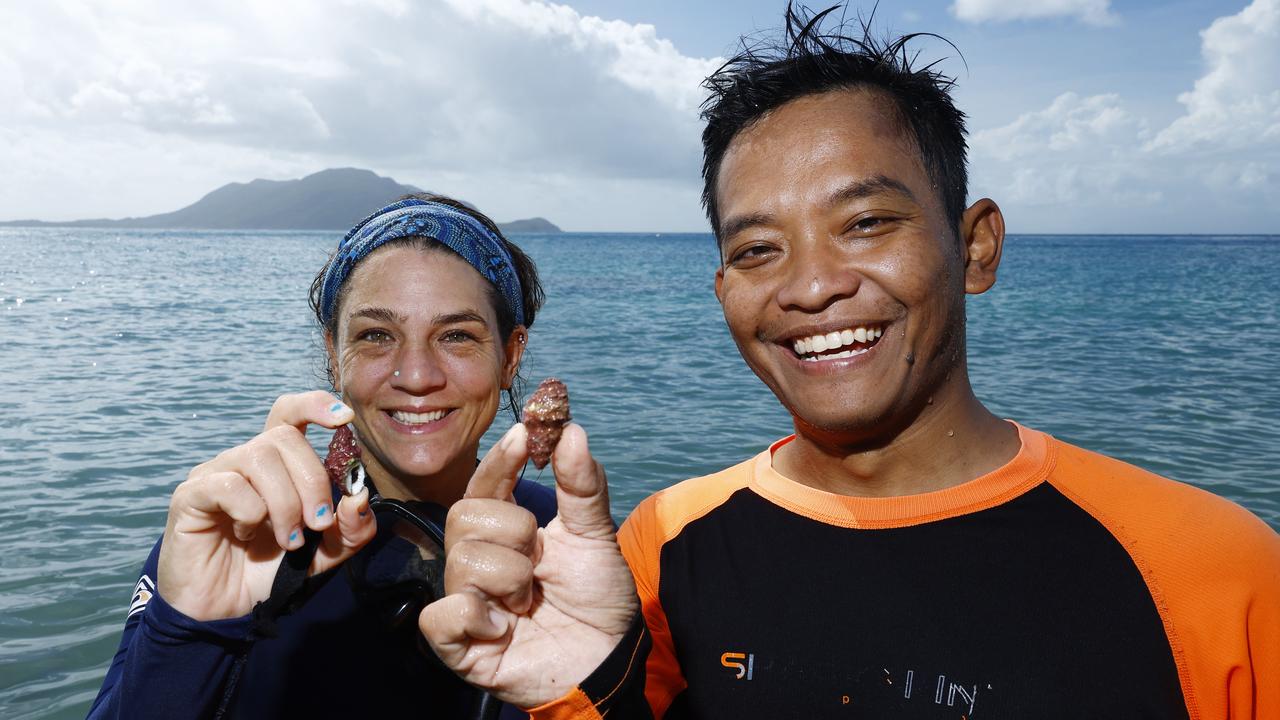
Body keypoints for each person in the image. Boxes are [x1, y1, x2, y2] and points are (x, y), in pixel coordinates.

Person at [419, 5, 1280, 718]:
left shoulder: (1217, 574)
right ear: (723, 291)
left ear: (975, 246)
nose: (813, 286)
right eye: (758, 249)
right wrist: (581, 687)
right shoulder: (660, 548)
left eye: (866, 223)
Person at [88, 194, 561, 719]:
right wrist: (189, 629)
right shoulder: (246, 534)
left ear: (510, 357)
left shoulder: (560, 539)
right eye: (376, 336)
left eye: (456, 335)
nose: (418, 375)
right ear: (335, 359)